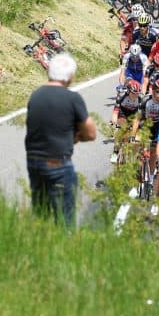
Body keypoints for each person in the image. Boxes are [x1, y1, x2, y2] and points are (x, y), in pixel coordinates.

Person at [25, 53, 96, 226]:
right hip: (57, 164)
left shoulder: (35, 95)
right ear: (70, 76)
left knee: (40, 215)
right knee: (64, 221)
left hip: (34, 162)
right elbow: (91, 133)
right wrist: (76, 137)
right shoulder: (72, 98)